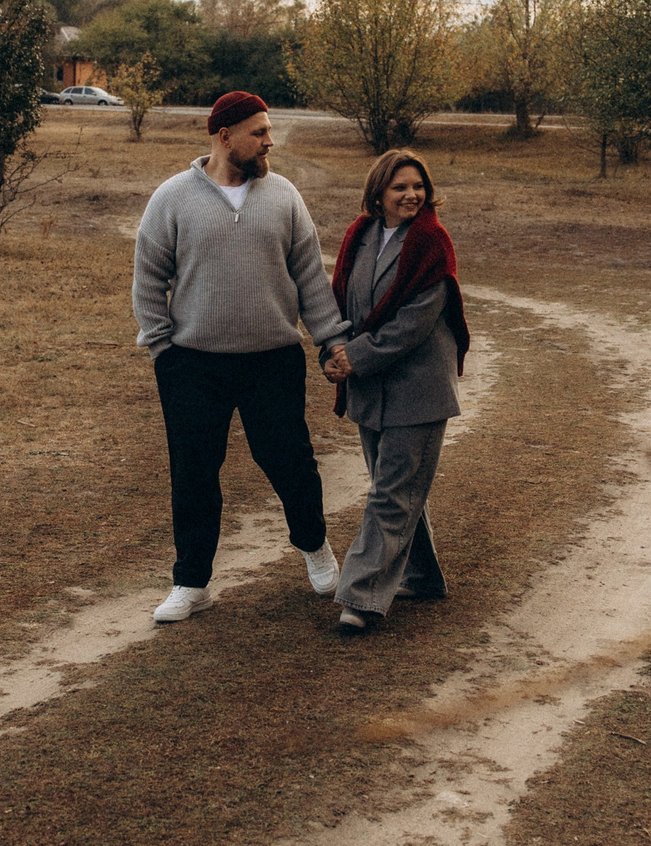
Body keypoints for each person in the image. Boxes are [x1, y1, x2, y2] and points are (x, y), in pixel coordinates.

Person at [132, 92, 350, 624]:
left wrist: (330, 339)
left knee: (289, 461)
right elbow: (149, 278)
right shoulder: (173, 197)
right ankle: (191, 583)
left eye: (269, 130)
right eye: (259, 131)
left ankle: (316, 550)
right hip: (192, 365)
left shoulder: (284, 196)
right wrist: (163, 349)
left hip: (271, 360)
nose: (269, 140)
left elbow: (308, 277)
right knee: (194, 472)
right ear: (224, 136)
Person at [321, 149, 468, 633]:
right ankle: (421, 576)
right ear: (379, 193)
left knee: (391, 493)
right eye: (400, 187)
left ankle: (360, 597)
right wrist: (333, 351)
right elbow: (340, 298)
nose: (412, 195)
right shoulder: (360, 236)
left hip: (418, 389)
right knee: (399, 490)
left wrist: (354, 358)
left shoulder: (431, 240)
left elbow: (414, 323)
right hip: (372, 388)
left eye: (418, 187)